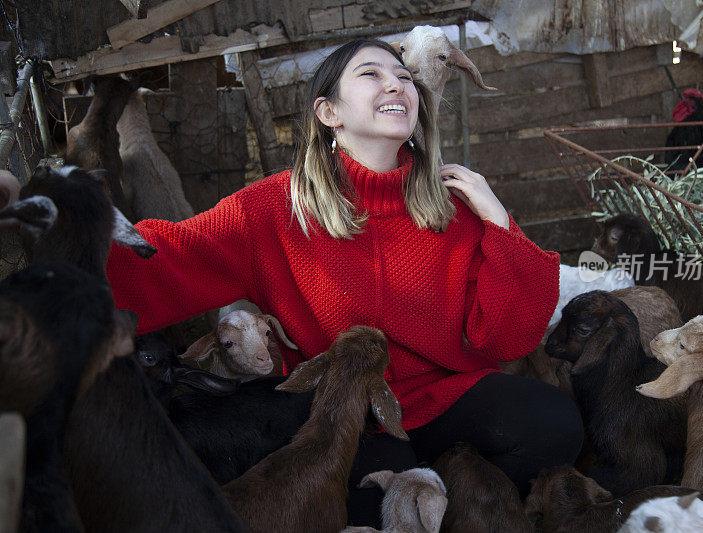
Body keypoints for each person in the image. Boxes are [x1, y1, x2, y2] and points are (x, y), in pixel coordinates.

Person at [106, 39, 583, 527]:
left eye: (402, 75)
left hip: (445, 398)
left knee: (554, 424)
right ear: (328, 111)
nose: (396, 83)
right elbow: (172, 257)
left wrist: (499, 221)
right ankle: (431, 492)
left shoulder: (455, 206)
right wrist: (58, 241)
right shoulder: (273, 207)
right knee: (361, 508)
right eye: (371, 74)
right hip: (346, 413)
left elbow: (508, 338)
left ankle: (453, 498)